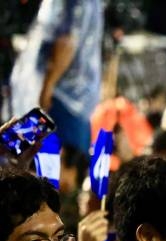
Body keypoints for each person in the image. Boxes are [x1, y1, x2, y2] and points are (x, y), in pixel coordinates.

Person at [8, 0, 103, 154]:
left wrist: (47, 87)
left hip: (56, 103)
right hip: (62, 103)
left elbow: (66, 41)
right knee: (17, 158)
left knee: (33, 166)